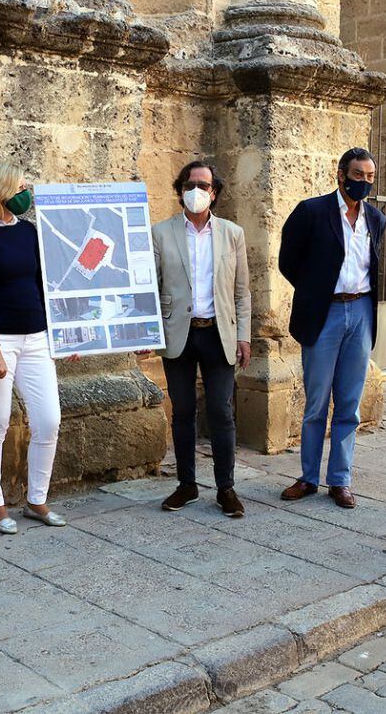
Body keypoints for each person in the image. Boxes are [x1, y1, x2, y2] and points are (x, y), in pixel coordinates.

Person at [0, 161, 66, 534]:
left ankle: (37, 499)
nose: (25, 192)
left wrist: (63, 334)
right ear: (0, 191)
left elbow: (44, 285)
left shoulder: (28, 232)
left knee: (49, 419)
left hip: (36, 338)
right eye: (20, 186)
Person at [278, 148, 386, 509]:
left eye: (370, 177)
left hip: (361, 311)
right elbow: (288, 261)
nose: (365, 183)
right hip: (325, 312)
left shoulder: (376, 218)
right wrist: (316, 291)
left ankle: (340, 479)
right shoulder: (311, 211)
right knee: (317, 402)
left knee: (350, 404)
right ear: (341, 175)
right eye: (359, 175)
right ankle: (308, 477)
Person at [152, 161, 251, 517]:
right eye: (190, 184)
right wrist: (148, 330)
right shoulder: (160, 233)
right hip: (178, 333)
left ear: (214, 192)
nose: (196, 190)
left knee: (222, 412)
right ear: (180, 189)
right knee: (182, 412)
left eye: (204, 185)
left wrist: (244, 336)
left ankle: (226, 488)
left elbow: (242, 292)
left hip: (218, 333)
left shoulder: (232, 234)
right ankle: (187, 485)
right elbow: (152, 286)